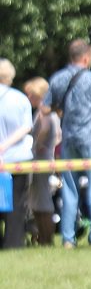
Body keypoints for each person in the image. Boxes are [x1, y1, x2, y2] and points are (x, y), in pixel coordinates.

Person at [42, 39, 91, 249]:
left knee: (69, 189)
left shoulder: (57, 78)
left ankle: (67, 238)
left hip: (69, 138)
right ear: (86, 57)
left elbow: (45, 109)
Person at [0, 58, 34, 249]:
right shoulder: (20, 98)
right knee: (17, 202)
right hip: (17, 158)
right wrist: (5, 145)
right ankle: (13, 242)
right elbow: (26, 127)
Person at [24, 76, 61, 245]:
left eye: (31, 94)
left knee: (42, 201)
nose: (29, 98)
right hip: (45, 158)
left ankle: (47, 239)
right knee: (39, 201)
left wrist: (36, 143)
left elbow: (45, 129)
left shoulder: (44, 111)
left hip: (42, 159)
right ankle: (44, 238)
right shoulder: (49, 111)